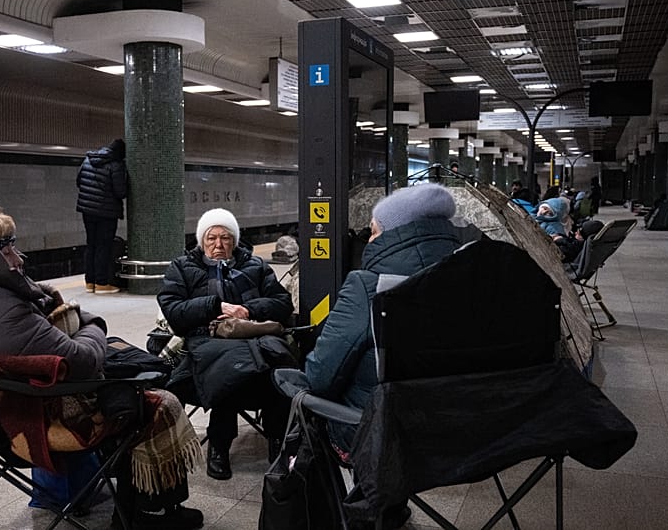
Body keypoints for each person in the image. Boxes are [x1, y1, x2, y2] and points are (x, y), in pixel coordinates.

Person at [0, 204, 203, 530]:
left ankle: (125, 498)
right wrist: (92, 326)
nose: (18, 258)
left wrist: (83, 329)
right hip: (39, 419)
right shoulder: (5, 312)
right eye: (6, 248)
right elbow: (84, 359)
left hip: (8, 407)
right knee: (153, 400)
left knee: (129, 369)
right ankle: (148, 514)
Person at [304, 184, 484, 458]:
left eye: (374, 231)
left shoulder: (369, 287)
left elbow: (320, 378)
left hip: (381, 434)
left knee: (308, 412)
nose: (369, 240)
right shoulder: (473, 281)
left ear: (395, 234)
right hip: (460, 433)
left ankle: (357, 500)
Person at [157, 208, 295, 480]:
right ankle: (219, 444)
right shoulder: (183, 267)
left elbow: (282, 303)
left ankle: (278, 442)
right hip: (205, 341)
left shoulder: (255, 266)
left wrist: (247, 309)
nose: (218, 245)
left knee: (278, 363)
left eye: (225, 238)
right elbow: (173, 310)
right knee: (230, 366)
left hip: (254, 337)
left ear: (235, 241)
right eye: (211, 238)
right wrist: (214, 306)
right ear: (201, 240)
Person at [76, 138, 128, 294]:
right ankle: (102, 283)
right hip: (106, 212)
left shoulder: (88, 160)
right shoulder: (116, 165)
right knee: (103, 246)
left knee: (91, 244)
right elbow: (121, 191)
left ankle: (89, 282)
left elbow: (79, 181)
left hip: (87, 210)